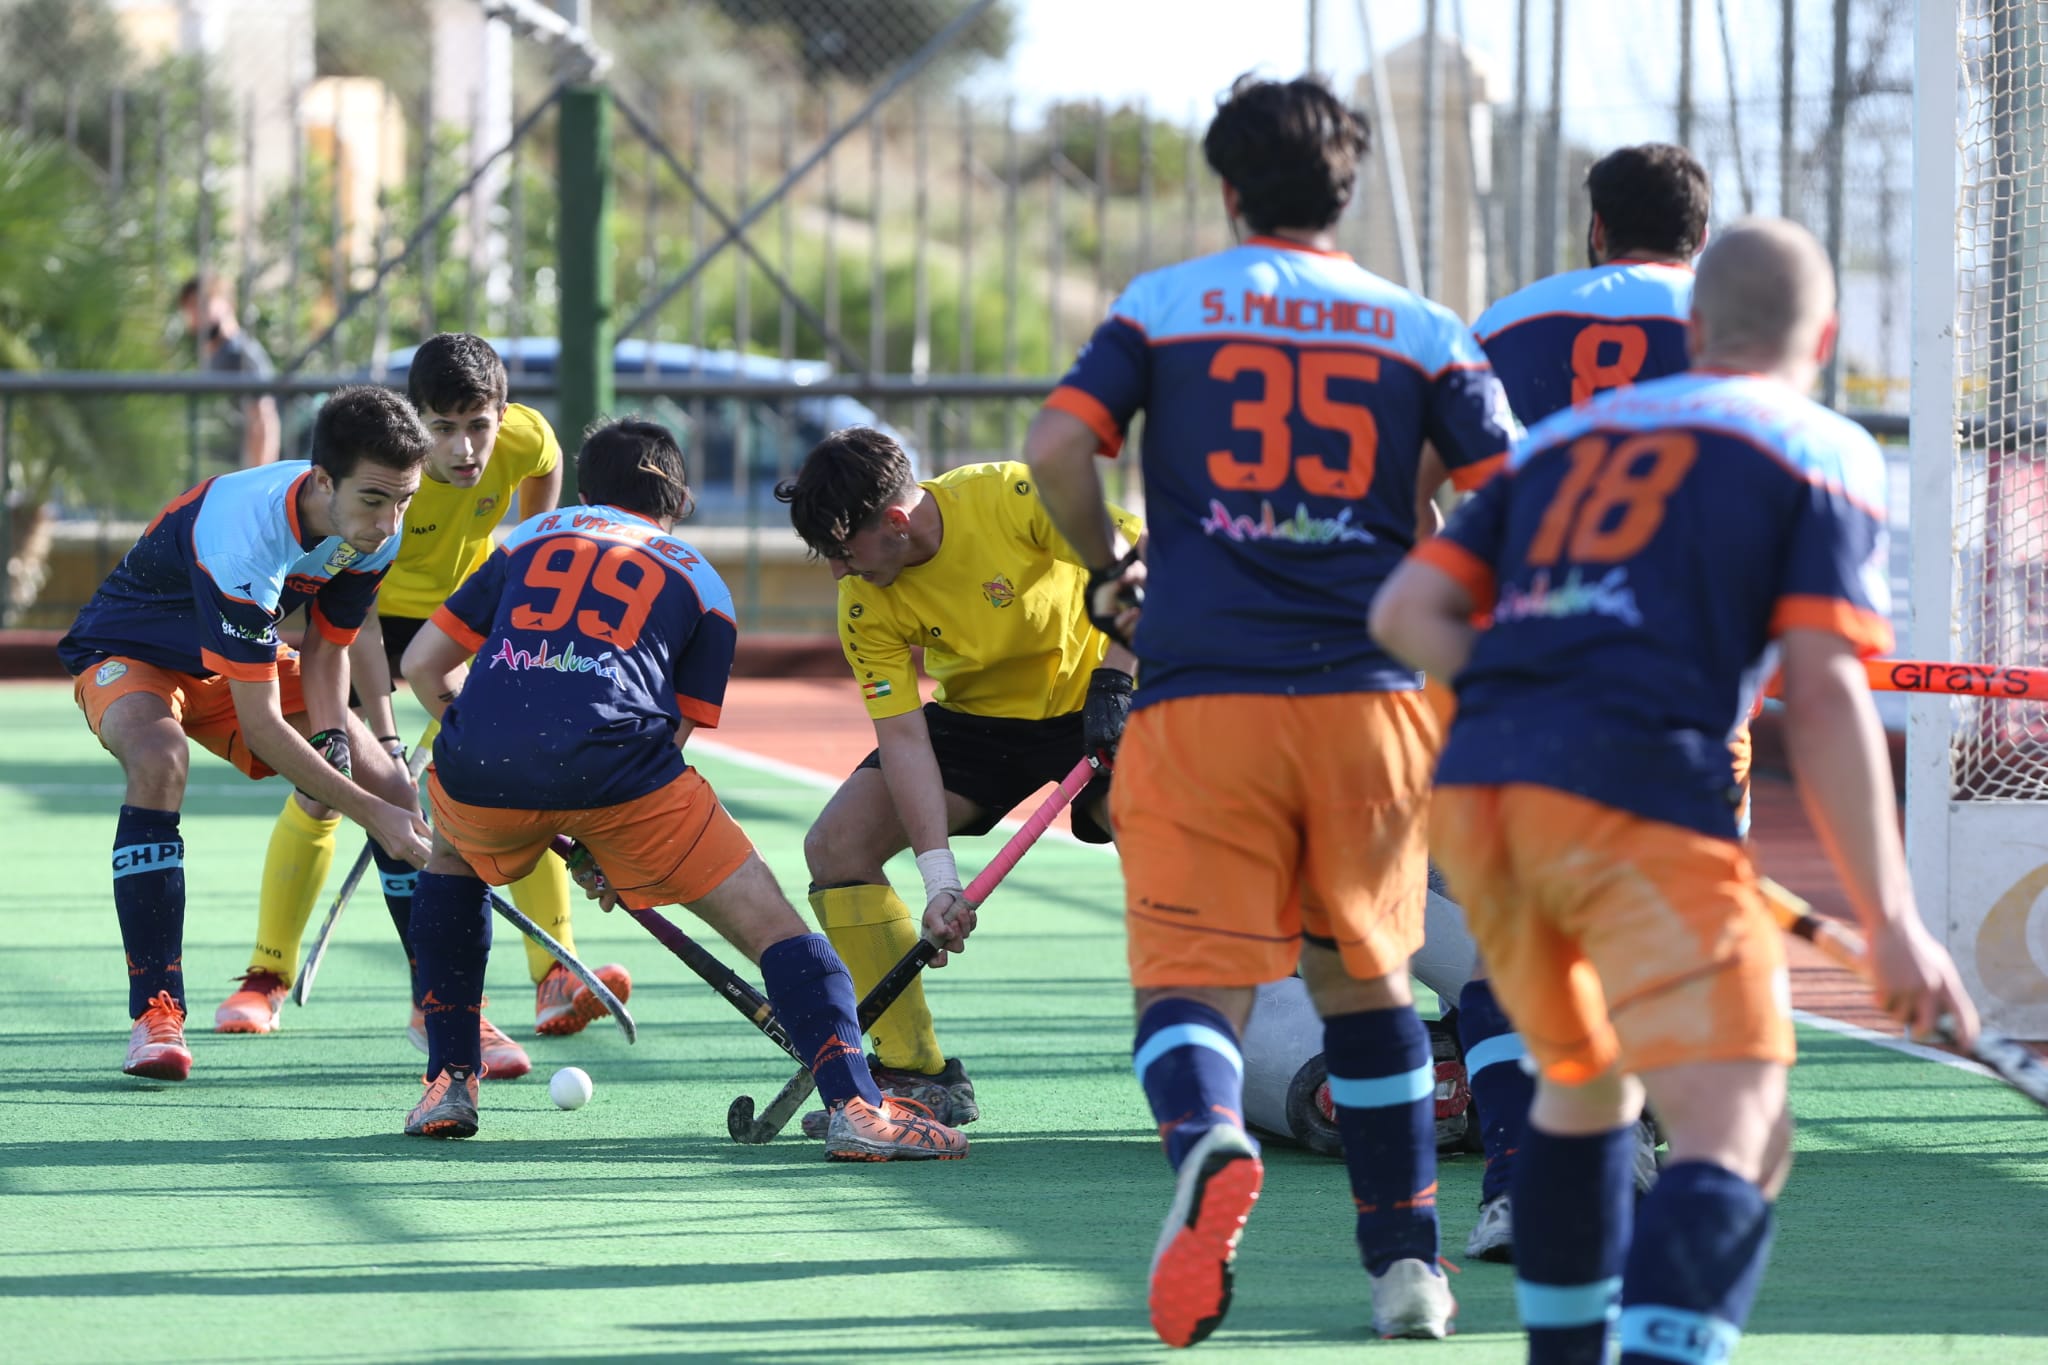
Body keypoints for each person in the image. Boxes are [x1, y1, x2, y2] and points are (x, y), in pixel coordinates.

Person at [1370, 217, 1979, 1364]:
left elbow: (1404, 614)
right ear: (1826, 338)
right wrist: (1892, 922)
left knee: (1582, 1098)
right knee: (1740, 1133)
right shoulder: (1817, 446)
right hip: (1649, 802)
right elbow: (1826, 691)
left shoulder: (1562, 442)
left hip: (1488, 817)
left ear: (1696, 332)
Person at [1027, 73, 1520, 1346]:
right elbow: (1508, 496)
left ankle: (1203, 1142)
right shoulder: (1420, 327)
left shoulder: (1162, 307)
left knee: (1190, 986)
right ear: (1344, 188)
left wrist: (1106, 567)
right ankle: (1406, 1267)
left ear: (1229, 188)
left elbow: (1055, 450)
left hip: (1201, 701)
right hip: (1370, 709)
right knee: (1366, 988)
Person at [396, 417, 969, 1161]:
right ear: (677, 503)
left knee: (450, 863)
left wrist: (483, 733)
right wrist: (606, 833)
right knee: (779, 929)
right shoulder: (703, 582)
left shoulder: (525, 538)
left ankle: (449, 1080)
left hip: (480, 766)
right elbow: (669, 739)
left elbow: (421, 664)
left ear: (585, 492)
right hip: (623, 776)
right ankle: (859, 1107)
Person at [214, 335, 624, 1077]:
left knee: (512, 773)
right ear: (416, 419)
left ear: (501, 414)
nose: (465, 449)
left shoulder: (520, 436)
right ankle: (266, 975)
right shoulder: (389, 483)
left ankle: (553, 974)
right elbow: (354, 621)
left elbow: (545, 459)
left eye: (479, 425)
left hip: (458, 620)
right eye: (444, 428)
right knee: (330, 783)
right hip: (363, 622)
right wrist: (387, 734)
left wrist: (522, 553)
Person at [1453, 142, 1712, 1261]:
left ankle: (1524, 1176)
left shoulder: (1506, 321)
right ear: (1700, 233)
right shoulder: (1732, 319)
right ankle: (1636, 1146)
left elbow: (1449, 496)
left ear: (1595, 226)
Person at [58, 385, 434, 1081]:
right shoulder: (245, 535)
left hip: (236, 655)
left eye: (405, 500)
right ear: (324, 480)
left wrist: (341, 754)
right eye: (376, 500)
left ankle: (441, 1011)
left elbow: (327, 651)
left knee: (391, 779)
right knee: (161, 757)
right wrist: (370, 814)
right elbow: (259, 726)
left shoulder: (374, 531)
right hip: (131, 648)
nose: (390, 521)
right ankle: (155, 1013)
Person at [772, 426, 1141, 1131]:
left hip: (1099, 694)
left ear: (897, 523)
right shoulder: (864, 597)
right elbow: (904, 735)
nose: (838, 573)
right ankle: (917, 1069)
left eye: (844, 552)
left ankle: (1248, 1029)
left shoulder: (1010, 496)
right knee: (836, 846)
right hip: (979, 723)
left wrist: (1119, 679)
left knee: (1157, 827)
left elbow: (1145, 566)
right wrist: (939, 879)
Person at [177, 275, 281, 469]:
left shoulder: (237, 355)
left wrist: (260, 479)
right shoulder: (217, 355)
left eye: (202, 304)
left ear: (227, 304)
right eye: (189, 308)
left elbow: (263, 419)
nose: (195, 315)